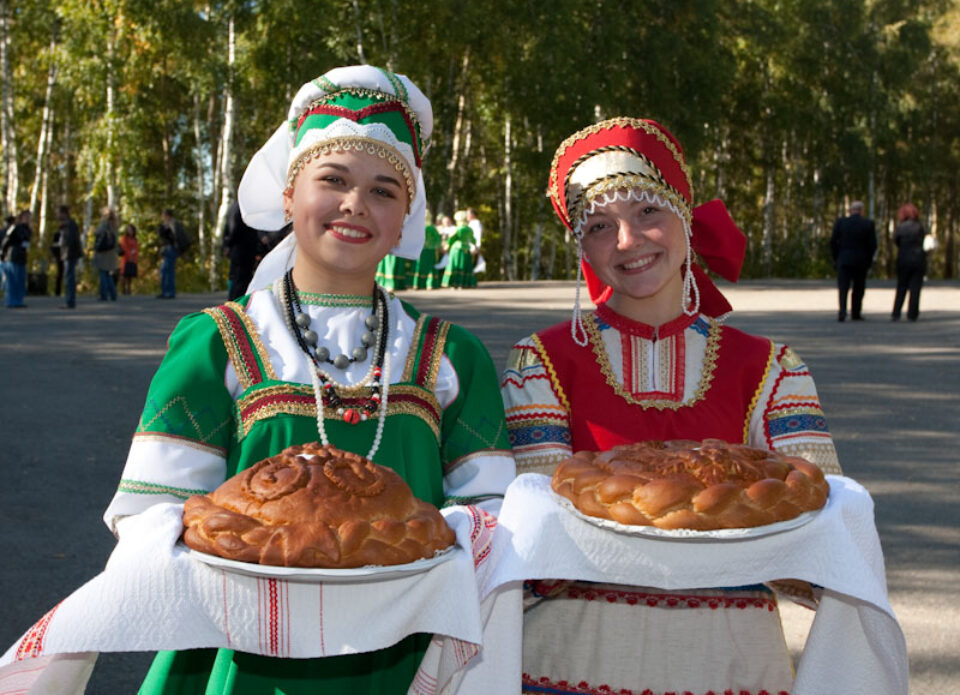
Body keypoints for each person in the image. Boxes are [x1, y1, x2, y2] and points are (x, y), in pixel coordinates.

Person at [102, 65, 515, 694]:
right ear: (289, 195)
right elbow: (150, 513)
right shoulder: (218, 343)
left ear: (408, 217)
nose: (355, 204)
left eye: (384, 189)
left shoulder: (449, 356)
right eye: (333, 180)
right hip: (241, 654)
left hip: (402, 659)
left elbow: (492, 520)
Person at [501, 118, 842, 695]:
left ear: (685, 217)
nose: (628, 242)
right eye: (600, 226)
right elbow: (539, 546)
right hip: (570, 666)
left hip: (731, 668)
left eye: (647, 213)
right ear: (582, 247)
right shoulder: (540, 361)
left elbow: (823, 534)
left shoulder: (771, 366)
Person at [830, 200, 877, 321]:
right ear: (862, 211)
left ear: (851, 210)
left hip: (844, 259)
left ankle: (842, 311)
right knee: (858, 287)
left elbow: (833, 242)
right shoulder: (868, 224)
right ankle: (856, 312)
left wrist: (836, 258)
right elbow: (873, 244)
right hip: (861, 260)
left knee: (843, 287)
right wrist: (869, 259)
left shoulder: (841, 223)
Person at [891, 202, 928, 322]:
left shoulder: (901, 227)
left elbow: (896, 241)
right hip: (918, 259)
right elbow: (923, 240)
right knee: (915, 288)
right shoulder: (919, 227)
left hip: (903, 259)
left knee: (901, 286)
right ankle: (912, 314)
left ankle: (896, 313)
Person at [221, 198, 260, 300]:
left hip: (237, 249)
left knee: (235, 277)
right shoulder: (243, 208)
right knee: (241, 279)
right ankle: (235, 302)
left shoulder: (233, 207)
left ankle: (233, 300)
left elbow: (227, 228)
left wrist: (226, 244)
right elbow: (235, 229)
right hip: (243, 249)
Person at [1, 209, 32, 308]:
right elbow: (6, 240)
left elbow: (26, 243)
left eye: (29, 217)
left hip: (22, 257)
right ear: (21, 218)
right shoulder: (15, 227)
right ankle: (11, 301)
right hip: (13, 256)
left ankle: (18, 300)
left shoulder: (28, 229)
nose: (28, 219)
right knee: (12, 280)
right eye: (26, 217)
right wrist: (3, 253)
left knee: (20, 280)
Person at [440, 210, 477, 288]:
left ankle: (455, 283)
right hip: (466, 250)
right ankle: (465, 283)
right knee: (465, 266)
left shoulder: (457, 229)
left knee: (455, 266)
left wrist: (446, 246)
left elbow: (451, 239)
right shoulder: (469, 229)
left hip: (456, 250)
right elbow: (473, 240)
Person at [57, 205, 83, 309]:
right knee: (69, 277)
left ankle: (70, 301)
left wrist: (65, 249)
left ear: (64, 213)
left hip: (69, 254)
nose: (57, 215)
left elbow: (70, 240)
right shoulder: (67, 225)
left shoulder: (69, 225)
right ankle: (69, 300)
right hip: (69, 253)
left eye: (59, 213)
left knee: (69, 278)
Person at [93, 207, 119, 301]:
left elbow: (96, 232)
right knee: (108, 274)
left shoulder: (104, 224)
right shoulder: (115, 225)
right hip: (111, 252)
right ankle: (113, 294)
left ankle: (103, 294)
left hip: (103, 252)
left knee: (102, 273)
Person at [157, 208, 184, 299]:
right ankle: (165, 291)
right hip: (167, 248)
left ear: (167, 215)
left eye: (163, 215)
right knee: (164, 270)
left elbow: (173, 237)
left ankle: (170, 292)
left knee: (169, 270)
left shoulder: (173, 224)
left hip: (171, 249)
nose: (162, 217)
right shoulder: (167, 224)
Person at [411, 216, 442, 289]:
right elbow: (438, 240)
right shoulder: (432, 228)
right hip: (430, 250)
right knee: (430, 266)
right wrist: (436, 246)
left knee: (420, 266)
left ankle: (417, 284)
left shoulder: (418, 226)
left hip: (420, 249)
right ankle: (430, 284)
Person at [118, 223, 140, 295]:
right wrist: (129, 257)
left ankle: (129, 289)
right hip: (126, 258)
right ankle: (123, 289)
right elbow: (125, 248)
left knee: (130, 275)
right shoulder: (124, 238)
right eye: (128, 230)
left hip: (133, 259)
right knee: (124, 274)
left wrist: (135, 258)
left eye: (131, 230)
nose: (129, 231)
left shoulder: (134, 239)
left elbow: (136, 249)